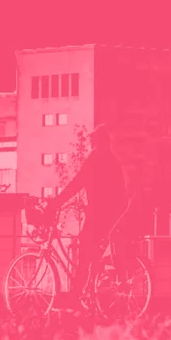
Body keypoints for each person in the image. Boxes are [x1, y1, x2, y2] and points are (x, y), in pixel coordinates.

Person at [44, 124, 129, 294]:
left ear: (95, 142)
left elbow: (77, 183)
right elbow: (117, 192)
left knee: (84, 252)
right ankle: (91, 288)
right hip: (113, 216)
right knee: (91, 252)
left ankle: (78, 294)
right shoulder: (114, 161)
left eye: (92, 142)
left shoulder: (96, 158)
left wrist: (56, 203)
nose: (90, 145)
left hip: (99, 215)